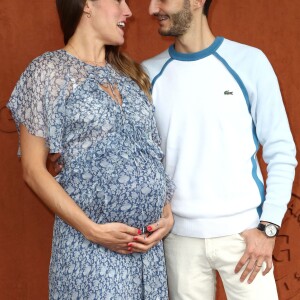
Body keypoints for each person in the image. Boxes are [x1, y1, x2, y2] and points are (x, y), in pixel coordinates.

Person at [7, 0, 175, 299]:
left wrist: (165, 214)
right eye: (117, 1)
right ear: (86, 5)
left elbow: (150, 152)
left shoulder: (131, 74)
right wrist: (92, 230)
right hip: (90, 249)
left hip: (147, 252)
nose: (128, 12)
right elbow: (33, 170)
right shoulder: (48, 72)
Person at [141, 0, 298, 299]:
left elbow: (280, 150)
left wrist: (268, 228)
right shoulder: (147, 74)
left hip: (245, 239)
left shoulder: (249, 62)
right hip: (178, 243)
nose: (152, 8)